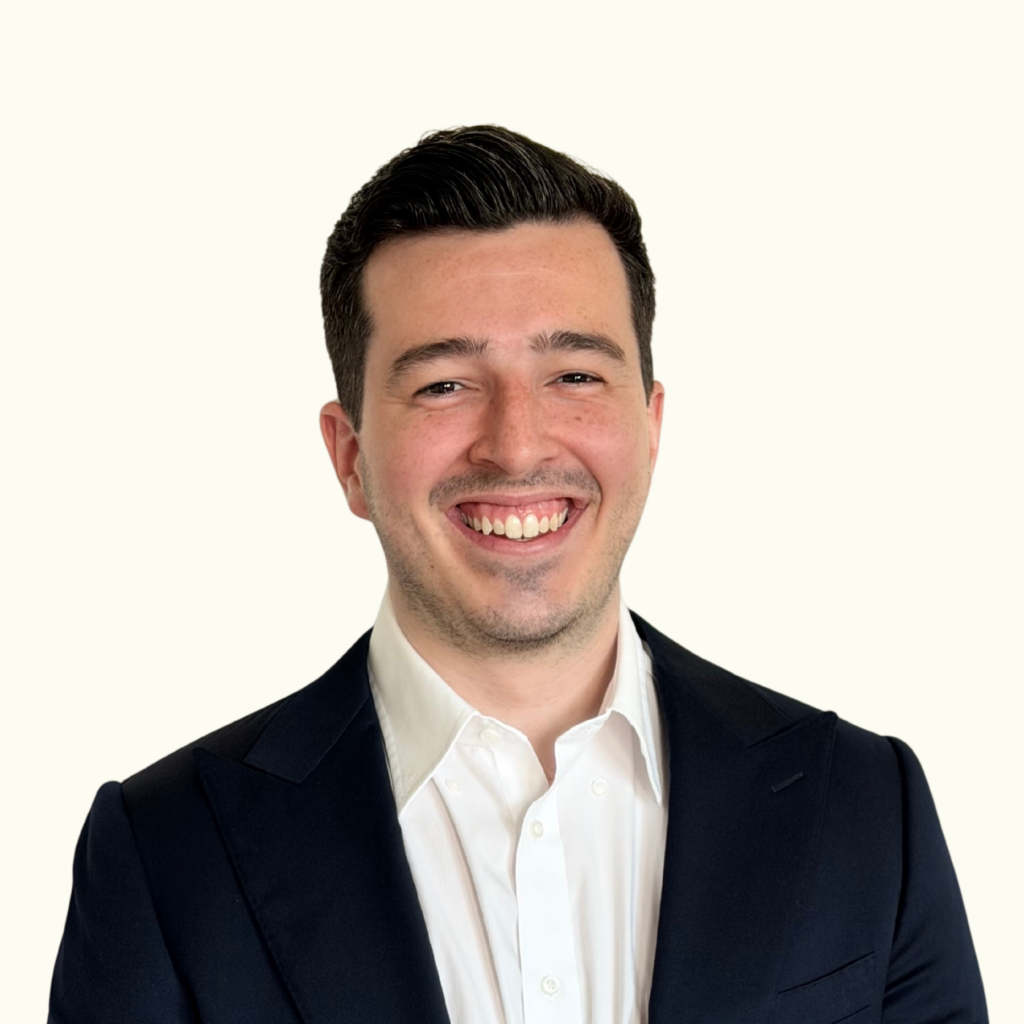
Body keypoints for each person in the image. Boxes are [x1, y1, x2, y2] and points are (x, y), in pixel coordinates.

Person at [48, 126, 987, 1024]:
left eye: (575, 375)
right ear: (350, 457)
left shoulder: (865, 807)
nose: (517, 445)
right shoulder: (166, 855)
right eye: (443, 385)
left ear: (651, 426)